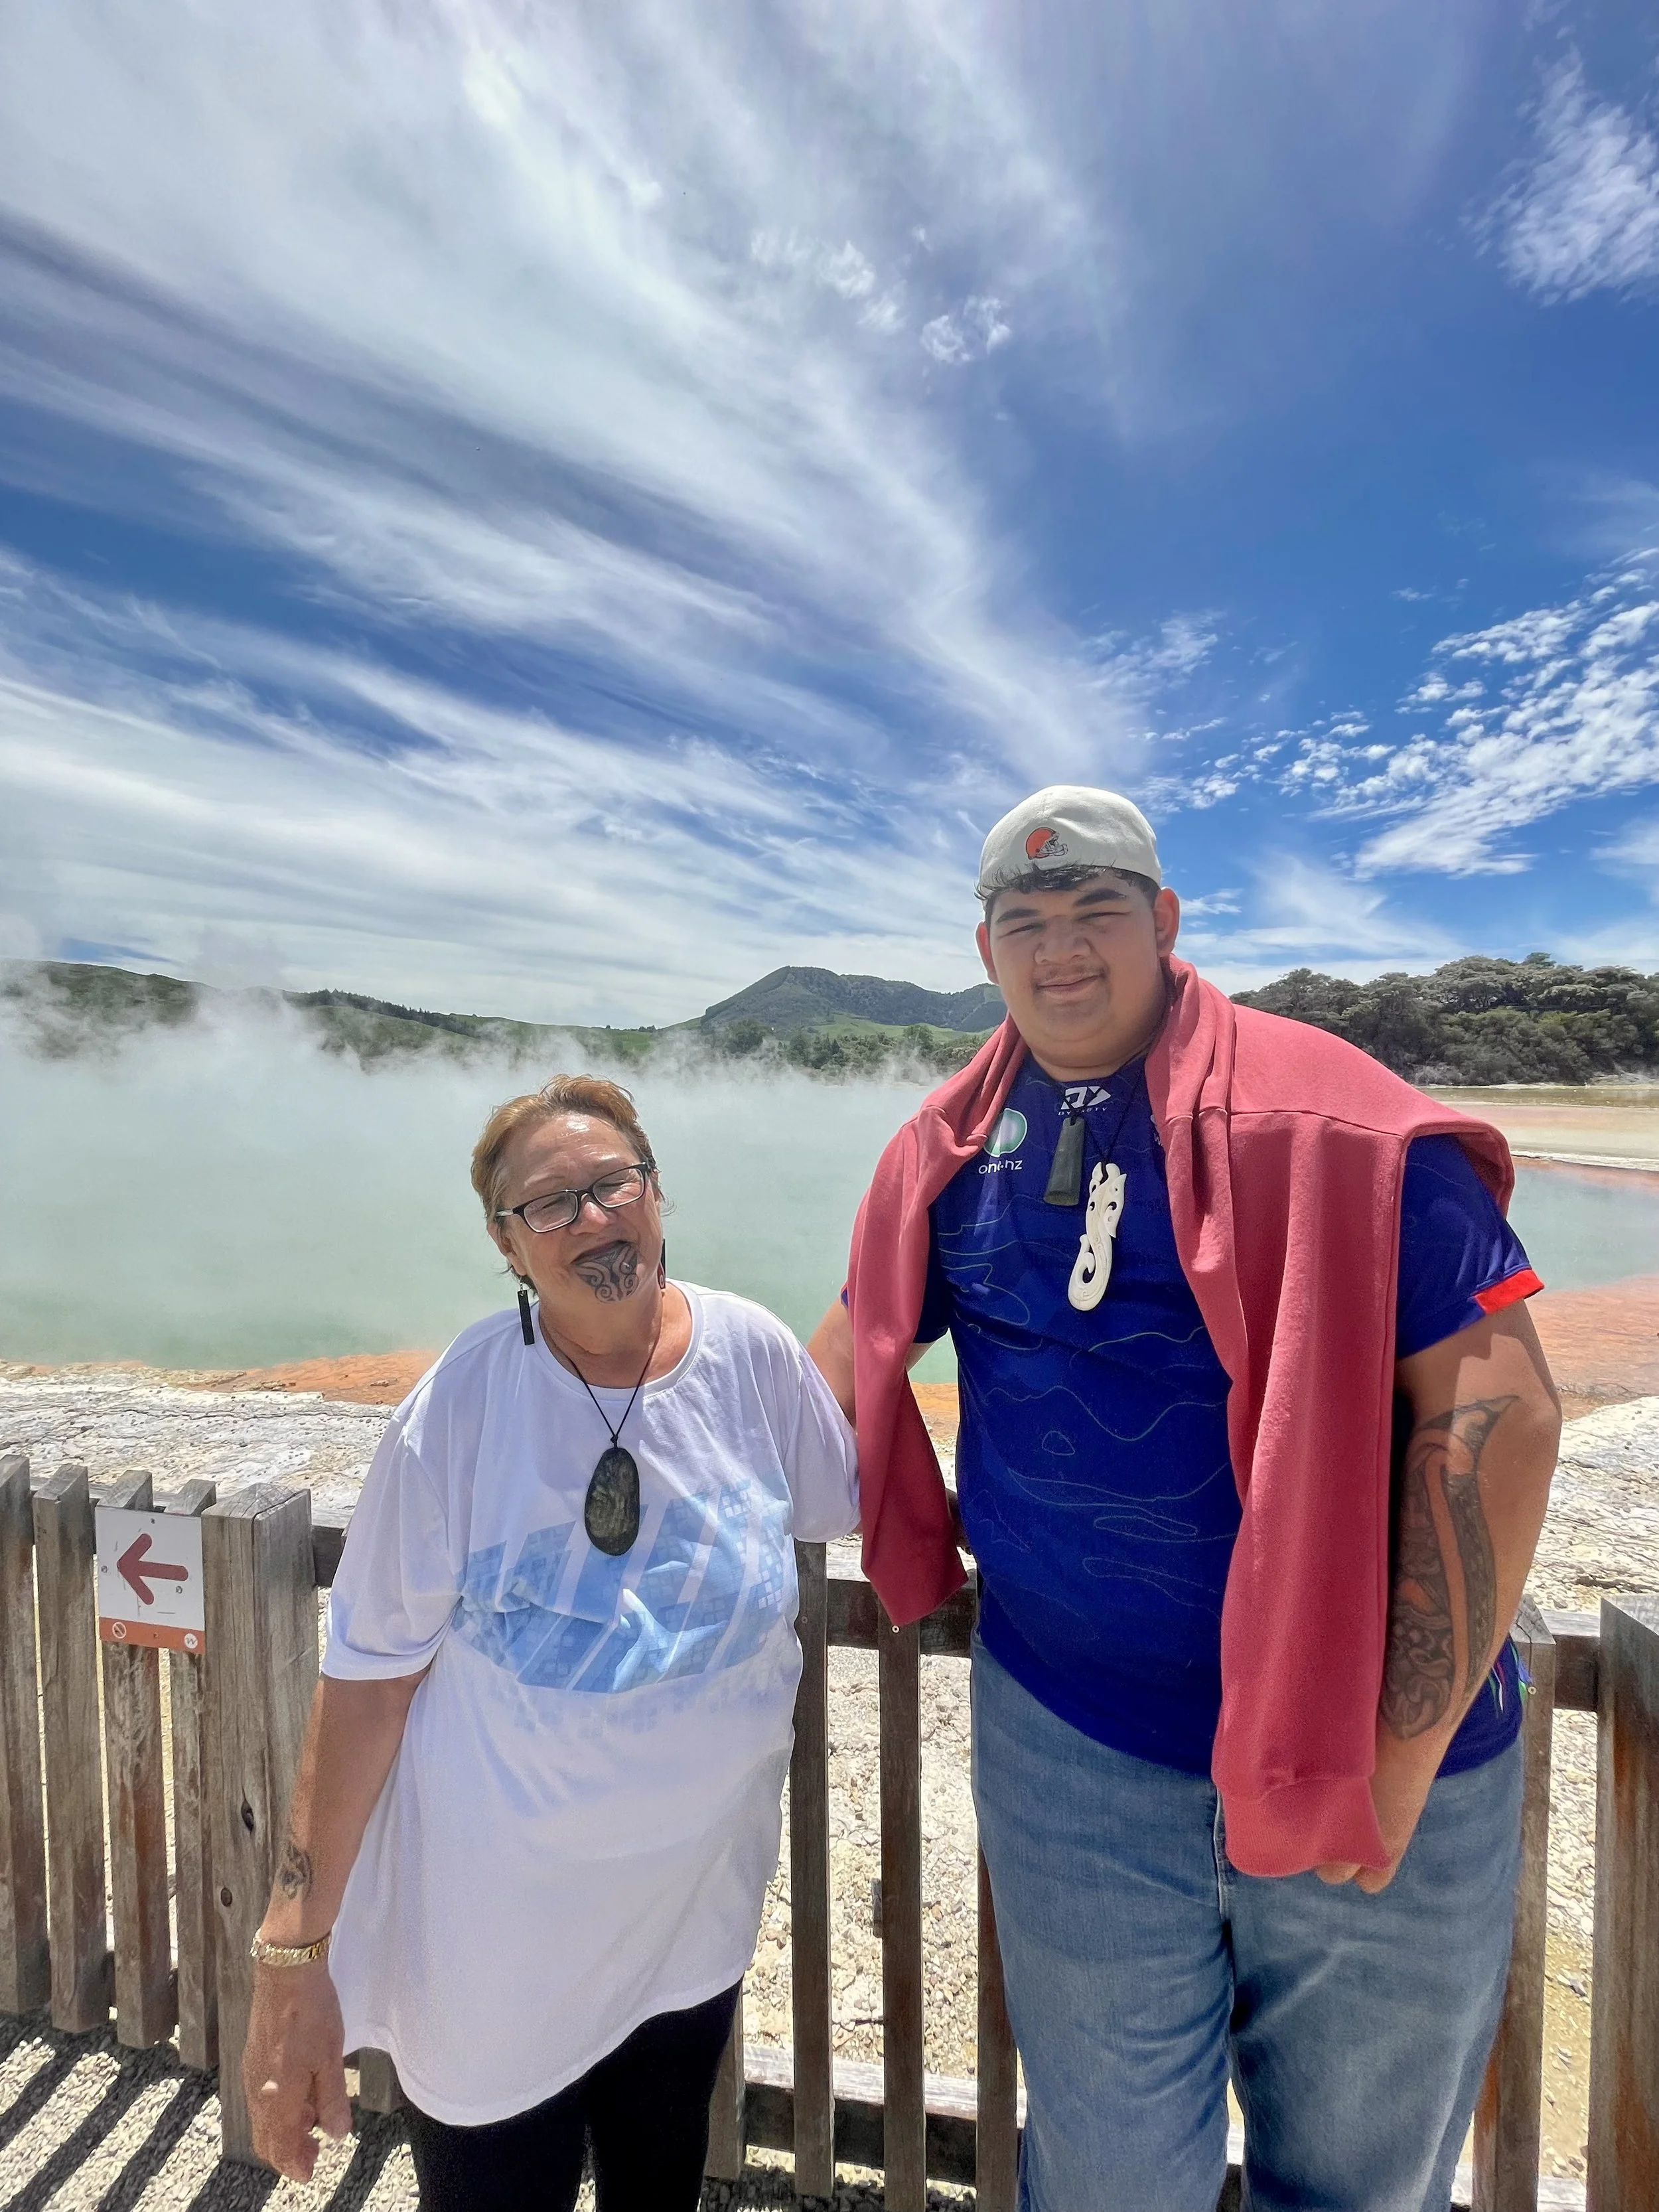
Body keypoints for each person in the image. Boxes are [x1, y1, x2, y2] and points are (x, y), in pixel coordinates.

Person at [810, 786, 1561, 2212]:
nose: (1061, 951)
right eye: (1025, 923)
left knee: (1347, 2183)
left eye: (1095, 912)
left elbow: (1500, 1416)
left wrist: (1389, 1766)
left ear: (1163, 921)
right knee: (1102, 2172)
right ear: (986, 952)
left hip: (1360, 1745)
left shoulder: (1334, 1118)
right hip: (1073, 1745)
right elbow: (848, 1355)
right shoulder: (950, 1147)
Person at [242, 1074, 858, 2210]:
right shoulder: (465, 1403)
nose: (591, 1219)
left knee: (658, 2185)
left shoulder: (752, 1357)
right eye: (548, 1205)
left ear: (658, 1191)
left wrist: (905, 1278)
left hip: (691, 1918)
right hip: (499, 1948)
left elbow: (837, 1495)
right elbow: (369, 1684)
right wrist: (294, 1956)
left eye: (611, 1184)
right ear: (506, 1245)